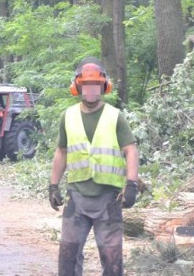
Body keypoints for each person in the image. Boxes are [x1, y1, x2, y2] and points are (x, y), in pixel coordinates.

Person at [49, 57, 139, 276]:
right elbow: (61, 152)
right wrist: (53, 185)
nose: (91, 89)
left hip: (109, 198)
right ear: (78, 86)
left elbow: (131, 150)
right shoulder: (68, 116)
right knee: (68, 257)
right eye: (86, 84)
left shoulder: (115, 116)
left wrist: (132, 184)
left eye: (95, 84)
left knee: (112, 260)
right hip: (77, 196)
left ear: (103, 86)